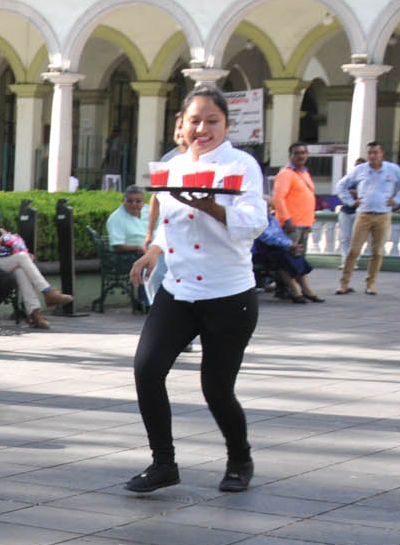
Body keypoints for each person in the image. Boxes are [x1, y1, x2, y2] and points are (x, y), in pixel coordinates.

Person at [126, 86, 267, 494]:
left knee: (216, 387)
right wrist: (153, 250)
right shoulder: (170, 166)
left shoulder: (241, 165)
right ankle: (163, 463)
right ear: (182, 124)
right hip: (179, 290)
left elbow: (254, 222)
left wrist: (212, 207)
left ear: (225, 124)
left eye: (212, 121)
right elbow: (172, 223)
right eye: (195, 121)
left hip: (229, 293)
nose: (202, 129)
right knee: (147, 369)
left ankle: (240, 458)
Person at [336, 140, 400, 295]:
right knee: (354, 250)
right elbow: (341, 185)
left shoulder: (392, 169)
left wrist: (397, 200)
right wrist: (350, 201)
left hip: (383, 214)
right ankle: (344, 283)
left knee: (377, 251)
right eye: (370, 152)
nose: (373, 156)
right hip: (364, 214)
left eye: (376, 152)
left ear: (381, 153)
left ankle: (371, 284)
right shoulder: (360, 169)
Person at [0, 229, 75, 329]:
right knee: (23, 257)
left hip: (4, 261)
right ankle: (48, 292)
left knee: (21, 270)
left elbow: (8, 243)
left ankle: (35, 314)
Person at [107, 186, 153, 311]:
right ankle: (146, 302)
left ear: (144, 202)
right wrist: (139, 247)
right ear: (123, 201)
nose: (134, 204)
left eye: (138, 201)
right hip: (126, 257)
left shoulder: (149, 211)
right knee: (145, 262)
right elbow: (117, 246)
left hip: (151, 251)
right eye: (130, 201)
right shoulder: (116, 218)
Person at [253, 218, 319, 303]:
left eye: (270, 207)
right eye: (267, 207)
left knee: (295, 256)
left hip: (275, 248)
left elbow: (281, 235)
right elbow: (266, 237)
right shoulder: (256, 220)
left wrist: (291, 245)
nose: (269, 209)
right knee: (283, 260)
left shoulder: (272, 219)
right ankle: (295, 290)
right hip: (260, 251)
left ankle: (306, 290)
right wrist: (289, 244)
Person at [272, 143, 316, 253]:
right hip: (292, 225)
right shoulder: (286, 174)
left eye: (303, 153)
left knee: (298, 262)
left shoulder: (305, 173)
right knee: (289, 261)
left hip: (305, 224)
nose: (300, 156)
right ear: (290, 156)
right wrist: (287, 220)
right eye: (296, 153)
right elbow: (278, 198)